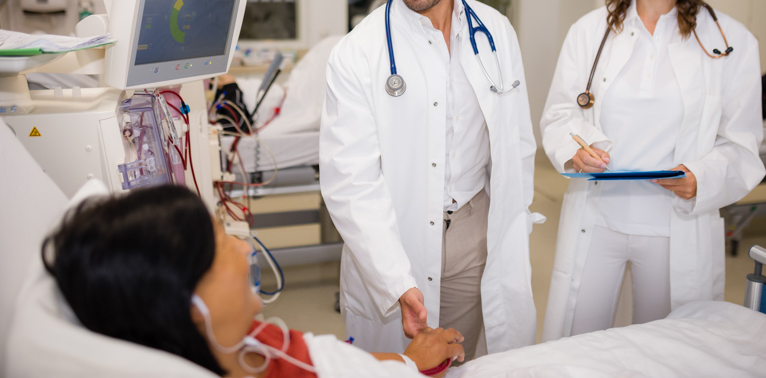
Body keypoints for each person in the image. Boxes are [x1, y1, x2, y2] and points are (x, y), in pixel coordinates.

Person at [539, 0, 765, 341]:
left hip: (672, 225)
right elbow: (560, 114)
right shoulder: (590, 32)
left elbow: (742, 146)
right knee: (576, 346)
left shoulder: (731, 43)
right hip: (597, 219)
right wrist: (574, 150)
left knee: (663, 350)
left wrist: (701, 177)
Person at [319, 0, 538, 360]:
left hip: (473, 232)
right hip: (394, 239)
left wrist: (511, 226)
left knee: (464, 359)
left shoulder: (495, 30)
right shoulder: (358, 53)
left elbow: (517, 142)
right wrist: (395, 280)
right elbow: (349, 182)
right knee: (398, 369)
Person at [41, 185, 465, 377]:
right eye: (224, 245)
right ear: (189, 300)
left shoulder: (254, 344)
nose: (245, 250)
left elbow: (331, 362)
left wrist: (409, 363)